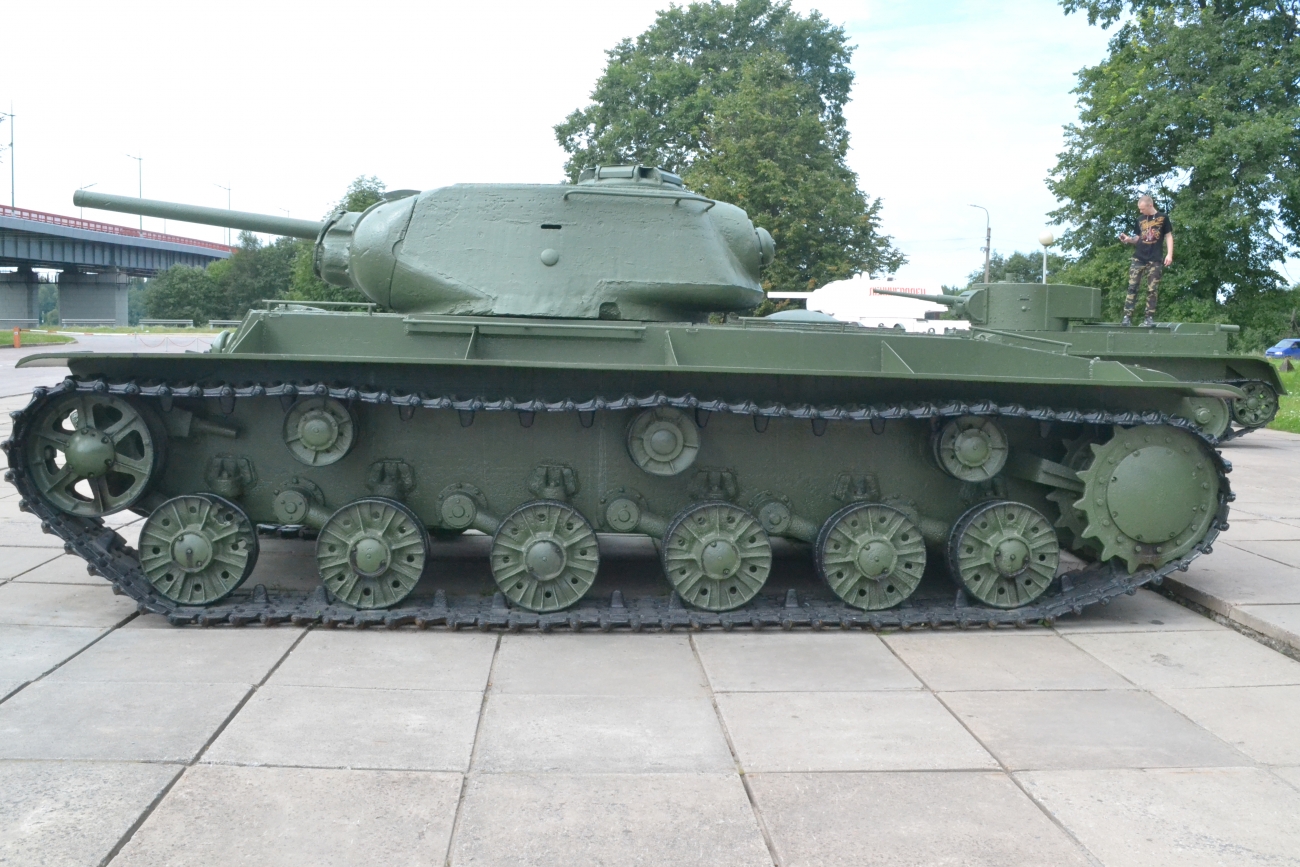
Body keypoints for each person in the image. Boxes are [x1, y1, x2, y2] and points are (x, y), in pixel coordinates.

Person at [1117, 194, 1174, 327]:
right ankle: (1127, 317)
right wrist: (1128, 240)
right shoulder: (1140, 219)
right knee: (1132, 287)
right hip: (1139, 257)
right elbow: (1138, 238)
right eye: (1140, 209)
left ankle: (1149, 317)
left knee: (1152, 289)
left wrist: (1169, 254)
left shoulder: (1163, 218)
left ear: (1150, 205)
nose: (1140, 211)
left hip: (1155, 258)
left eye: (1142, 209)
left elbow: (1168, 236)